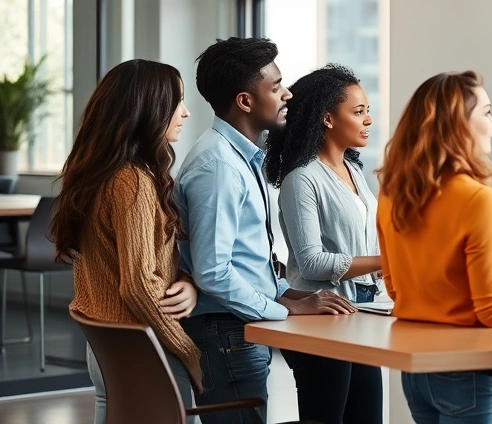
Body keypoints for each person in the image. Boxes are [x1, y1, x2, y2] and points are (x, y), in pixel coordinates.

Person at [176, 37, 356, 424]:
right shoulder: (219, 167)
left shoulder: (241, 157)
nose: (287, 94)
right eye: (275, 87)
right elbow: (213, 271)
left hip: (237, 328)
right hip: (227, 332)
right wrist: (279, 309)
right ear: (245, 101)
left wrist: (287, 294)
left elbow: (246, 258)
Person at [376, 71, 492, 424]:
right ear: (458, 124)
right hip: (465, 371)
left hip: (415, 370)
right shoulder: (477, 199)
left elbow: (395, 289)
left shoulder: (392, 194)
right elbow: (491, 312)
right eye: (486, 112)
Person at [52, 59, 201, 424]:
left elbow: (139, 266)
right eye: (177, 101)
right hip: (146, 346)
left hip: (108, 348)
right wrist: (190, 352)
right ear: (148, 108)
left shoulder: (101, 174)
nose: (185, 112)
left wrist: (184, 280)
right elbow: (137, 284)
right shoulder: (131, 182)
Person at [264, 65, 383, 424]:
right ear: (328, 118)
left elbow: (366, 241)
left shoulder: (354, 170)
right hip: (322, 315)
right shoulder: (302, 180)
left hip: (363, 309)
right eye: (359, 111)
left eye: (367, 111)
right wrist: (386, 261)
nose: (369, 120)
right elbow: (312, 263)